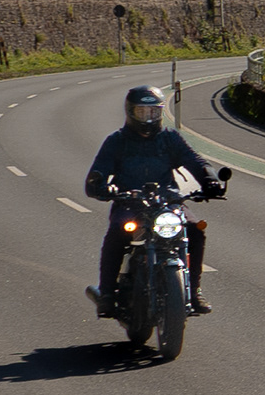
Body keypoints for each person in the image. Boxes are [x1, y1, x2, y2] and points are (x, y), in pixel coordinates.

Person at [85, 82, 222, 314]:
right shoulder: (117, 141)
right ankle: (107, 293)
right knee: (117, 233)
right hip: (129, 203)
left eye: (153, 112)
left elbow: (194, 160)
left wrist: (210, 179)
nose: (148, 118)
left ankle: (193, 290)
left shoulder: (170, 138)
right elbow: (98, 171)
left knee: (194, 229)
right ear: (130, 112)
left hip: (167, 202)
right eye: (142, 112)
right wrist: (99, 185)